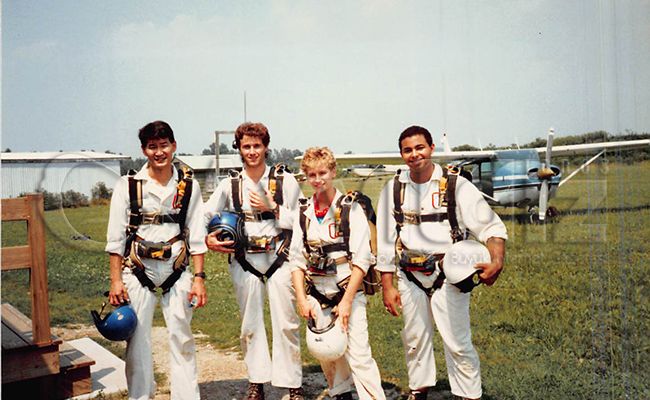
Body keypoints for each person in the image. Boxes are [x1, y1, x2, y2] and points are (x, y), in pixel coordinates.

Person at [376, 126, 507, 400]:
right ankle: (419, 390)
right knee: (414, 339)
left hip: (448, 275)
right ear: (401, 154)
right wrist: (387, 286)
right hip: (409, 275)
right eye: (408, 150)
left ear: (431, 148)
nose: (415, 155)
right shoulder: (394, 189)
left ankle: (468, 395)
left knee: (457, 341)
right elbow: (385, 242)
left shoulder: (456, 185)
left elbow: (491, 227)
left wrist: (497, 260)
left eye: (420, 148)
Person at [106, 120, 208, 400]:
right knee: (137, 341)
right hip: (138, 270)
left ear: (174, 146)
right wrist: (116, 281)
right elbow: (115, 239)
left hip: (177, 269)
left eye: (164, 145)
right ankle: (140, 396)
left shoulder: (188, 187)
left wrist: (199, 279)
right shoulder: (128, 185)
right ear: (144, 150)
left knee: (181, 337)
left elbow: (197, 236)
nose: (159, 152)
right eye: (152, 147)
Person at [204, 122, 304, 400]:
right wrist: (207, 239)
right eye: (246, 146)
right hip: (245, 260)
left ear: (266, 147)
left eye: (257, 146)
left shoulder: (284, 180)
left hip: (279, 257)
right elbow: (205, 214)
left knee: (286, 323)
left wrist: (274, 208)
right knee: (250, 323)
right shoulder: (231, 183)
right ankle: (256, 381)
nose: (251, 151)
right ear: (239, 148)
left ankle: (292, 382)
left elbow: (302, 220)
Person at [290, 147, 386, 400]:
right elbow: (296, 260)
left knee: (359, 354)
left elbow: (362, 260)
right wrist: (301, 299)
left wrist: (346, 302)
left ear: (333, 172)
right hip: (317, 294)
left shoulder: (350, 209)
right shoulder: (303, 211)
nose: (317, 179)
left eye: (322, 173)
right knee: (327, 351)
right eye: (312, 175)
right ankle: (340, 394)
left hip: (347, 291)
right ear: (306, 176)